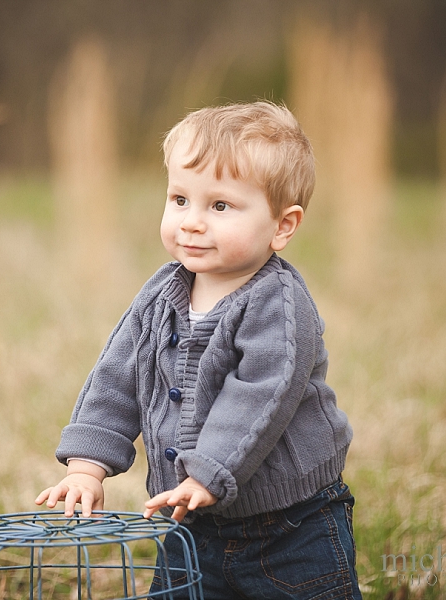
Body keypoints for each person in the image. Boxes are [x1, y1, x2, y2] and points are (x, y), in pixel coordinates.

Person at [35, 101, 361, 599]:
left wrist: (209, 471)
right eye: (180, 199)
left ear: (283, 225)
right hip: (189, 521)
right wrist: (87, 464)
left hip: (290, 527)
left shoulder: (277, 304)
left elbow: (261, 393)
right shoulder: (161, 294)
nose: (191, 221)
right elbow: (118, 376)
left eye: (220, 206)